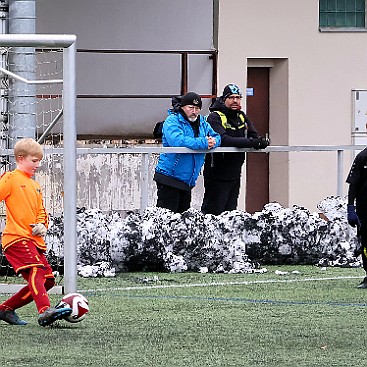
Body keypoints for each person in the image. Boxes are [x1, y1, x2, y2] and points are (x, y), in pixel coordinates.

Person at [0, 138, 72, 326]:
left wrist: (42, 225)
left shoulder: (35, 186)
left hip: (33, 241)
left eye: (40, 161)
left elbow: (41, 212)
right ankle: (44, 310)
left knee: (48, 281)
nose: (38, 165)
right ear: (20, 158)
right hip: (16, 238)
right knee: (36, 270)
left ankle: (5, 310)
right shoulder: (10, 178)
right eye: (34, 161)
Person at [201, 83, 269, 215]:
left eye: (238, 97)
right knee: (213, 213)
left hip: (235, 172)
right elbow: (224, 140)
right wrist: (251, 142)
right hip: (217, 173)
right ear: (224, 99)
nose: (235, 101)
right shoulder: (215, 117)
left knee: (231, 214)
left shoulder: (241, 116)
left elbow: (254, 136)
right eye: (231, 97)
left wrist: (260, 142)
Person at [154, 92, 221, 213]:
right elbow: (177, 141)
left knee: (182, 223)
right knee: (167, 221)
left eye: (197, 108)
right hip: (169, 177)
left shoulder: (202, 123)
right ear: (182, 107)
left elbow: (217, 136)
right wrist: (204, 143)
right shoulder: (172, 121)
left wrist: (213, 141)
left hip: (187, 181)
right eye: (191, 108)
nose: (194, 111)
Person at [346, 148, 367, 288]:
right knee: (366, 245)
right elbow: (353, 185)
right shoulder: (362, 157)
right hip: (365, 210)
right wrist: (350, 208)